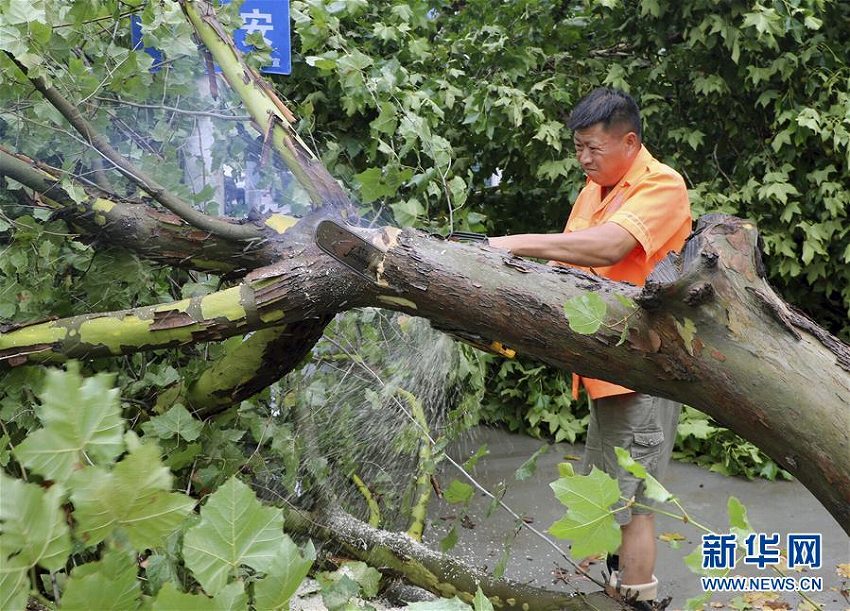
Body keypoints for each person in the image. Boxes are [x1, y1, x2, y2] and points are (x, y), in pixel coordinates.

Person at [489, 87, 692, 607]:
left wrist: (509, 244)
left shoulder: (662, 185)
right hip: (605, 366)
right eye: (577, 147)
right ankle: (614, 590)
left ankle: (638, 601)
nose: (583, 159)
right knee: (608, 494)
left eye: (592, 149)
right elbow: (567, 262)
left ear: (629, 141)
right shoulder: (593, 188)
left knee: (634, 502)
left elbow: (609, 247)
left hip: (645, 367)